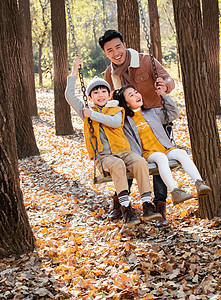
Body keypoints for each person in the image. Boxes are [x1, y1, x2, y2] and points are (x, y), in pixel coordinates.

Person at [65, 57, 161, 227]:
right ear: (90, 97)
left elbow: (115, 123)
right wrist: (74, 69)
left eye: (103, 92)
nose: (100, 95)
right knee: (117, 165)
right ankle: (126, 207)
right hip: (104, 155)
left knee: (139, 161)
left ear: (109, 95)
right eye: (95, 93)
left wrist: (92, 115)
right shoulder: (86, 110)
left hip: (124, 151)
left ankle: (147, 204)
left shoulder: (116, 110)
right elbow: (69, 95)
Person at [99, 29, 175, 227]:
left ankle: (159, 207)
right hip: (130, 126)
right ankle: (120, 201)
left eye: (118, 47)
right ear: (105, 53)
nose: (116, 53)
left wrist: (164, 87)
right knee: (128, 158)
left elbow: (169, 80)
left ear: (124, 45)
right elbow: (106, 101)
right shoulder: (109, 73)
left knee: (159, 163)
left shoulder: (145, 60)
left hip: (157, 120)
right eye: (110, 50)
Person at [113, 84, 212, 205]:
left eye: (136, 92)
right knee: (161, 158)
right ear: (126, 103)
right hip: (148, 154)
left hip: (165, 147)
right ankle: (175, 191)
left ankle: (199, 183)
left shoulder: (152, 112)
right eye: (131, 95)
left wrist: (164, 96)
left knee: (181, 153)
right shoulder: (126, 122)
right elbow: (128, 140)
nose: (136, 95)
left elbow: (173, 114)